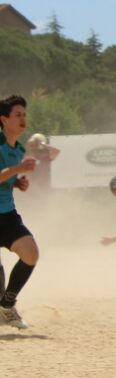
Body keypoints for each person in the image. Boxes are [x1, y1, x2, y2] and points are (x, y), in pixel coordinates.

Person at [0, 96, 40, 329]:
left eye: (24, 114)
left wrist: (17, 183)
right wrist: (18, 170)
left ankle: (7, 305)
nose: (23, 119)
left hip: (6, 213)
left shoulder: (19, 149)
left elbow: (6, 177)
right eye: (18, 115)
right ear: (4, 120)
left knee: (31, 254)